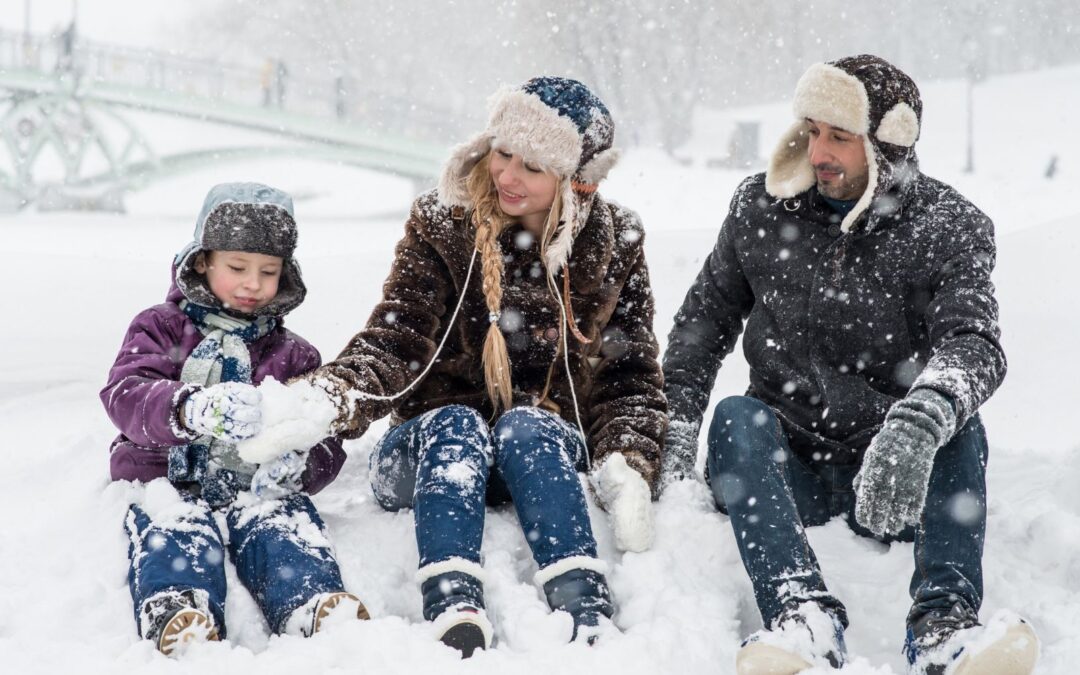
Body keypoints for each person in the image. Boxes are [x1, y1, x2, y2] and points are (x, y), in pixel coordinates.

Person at [252, 77, 666, 656]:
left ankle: (583, 602)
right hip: (429, 452)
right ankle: (452, 600)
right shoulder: (442, 223)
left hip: (536, 455)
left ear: (577, 182)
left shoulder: (616, 239)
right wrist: (330, 396)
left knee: (529, 424)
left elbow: (631, 374)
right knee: (457, 424)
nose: (507, 176)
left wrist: (629, 458)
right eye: (503, 153)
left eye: (533, 166)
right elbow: (397, 338)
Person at [661, 55, 1038, 675]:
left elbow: (974, 344)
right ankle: (800, 617)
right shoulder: (760, 208)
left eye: (839, 136)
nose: (818, 152)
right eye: (811, 131)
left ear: (887, 144)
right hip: (784, 470)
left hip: (895, 474)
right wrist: (674, 426)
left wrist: (917, 423)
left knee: (956, 419)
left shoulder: (950, 226)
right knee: (735, 415)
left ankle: (945, 628)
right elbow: (702, 327)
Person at [101, 182, 369, 656]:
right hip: (165, 476)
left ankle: (309, 600)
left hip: (255, 486)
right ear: (202, 260)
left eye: (268, 271)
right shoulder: (161, 327)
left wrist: (301, 464)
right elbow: (126, 392)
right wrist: (188, 407)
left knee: (283, 525)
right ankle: (178, 604)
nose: (253, 284)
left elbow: (322, 435)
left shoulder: (294, 355)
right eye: (238, 267)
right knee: (175, 526)